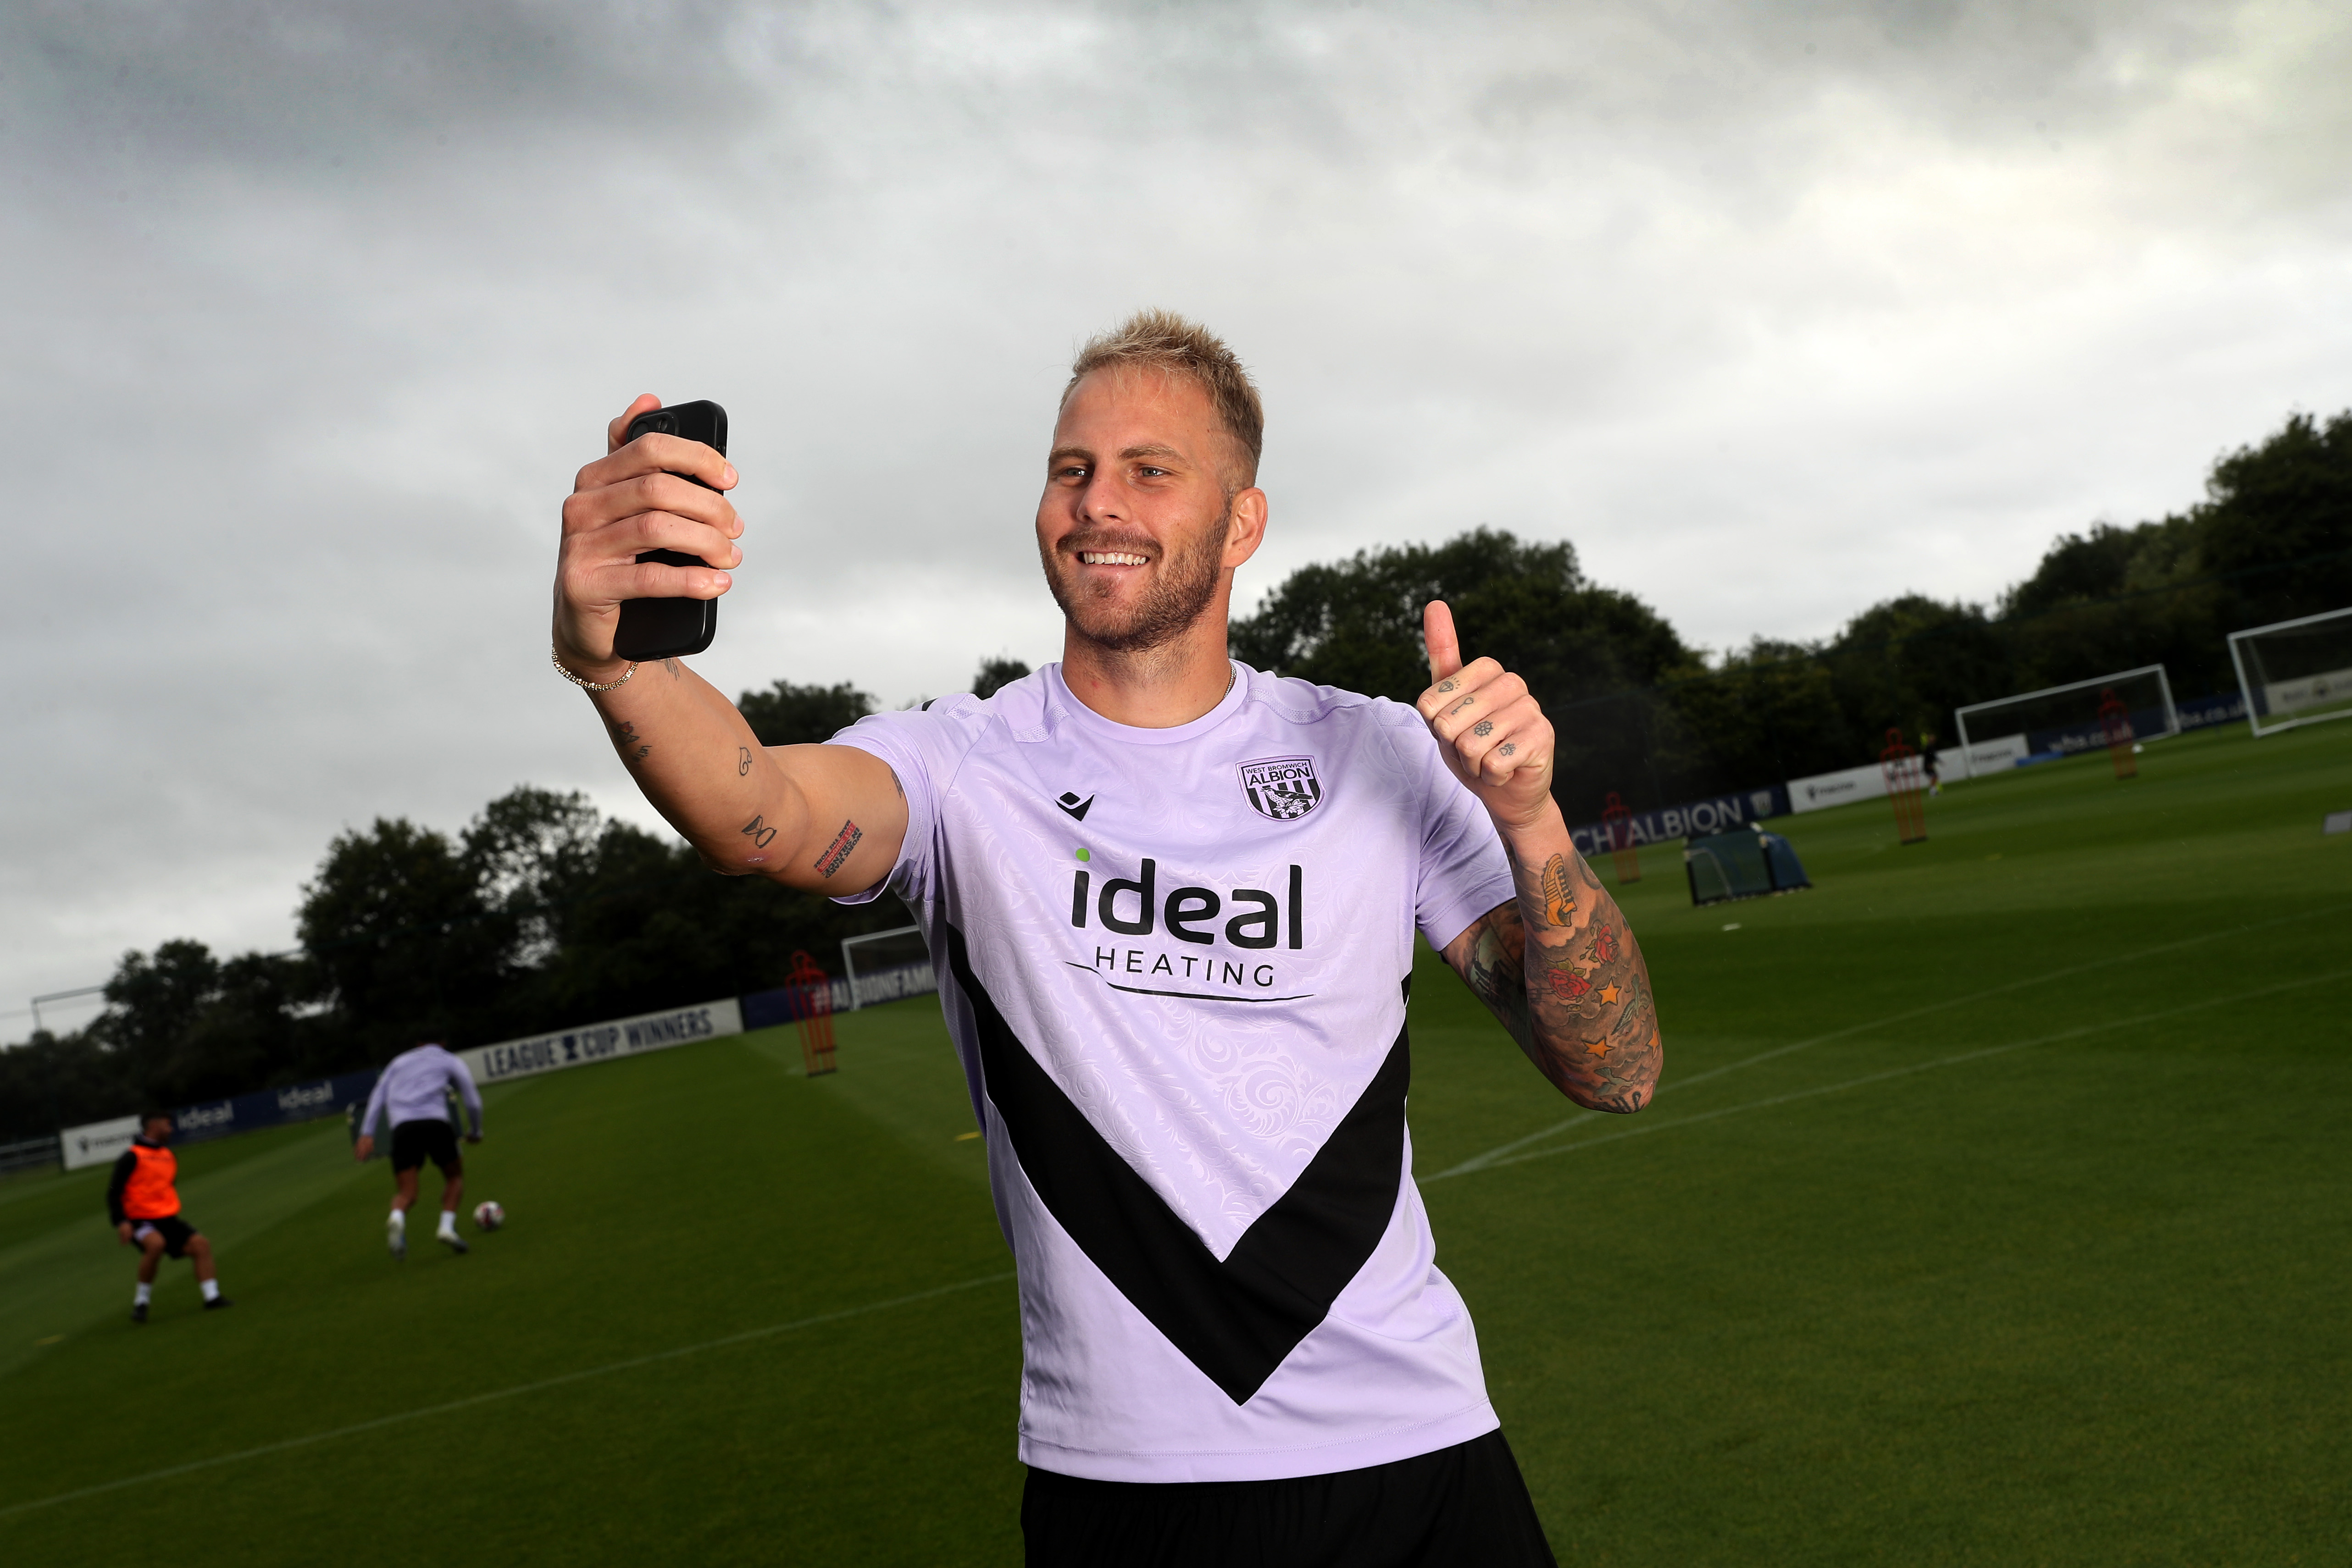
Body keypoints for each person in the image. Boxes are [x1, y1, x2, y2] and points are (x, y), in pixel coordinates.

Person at [549, 311, 1663, 1565]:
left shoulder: (1377, 751)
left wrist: (1529, 817)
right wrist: (618, 665)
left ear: (1242, 523)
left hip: (1421, 1453)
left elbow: (1615, 1071)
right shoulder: (966, 763)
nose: (1096, 503)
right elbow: (767, 812)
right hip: (1134, 1492)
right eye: (1071, 469)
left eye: (1150, 469)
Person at [354, 1042, 483, 1258]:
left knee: (408, 1192)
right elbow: (473, 1101)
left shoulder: (398, 1062)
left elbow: (378, 1095)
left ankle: (397, 1216)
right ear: (441, 1043)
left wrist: (367, 1133)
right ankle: (447, 1227)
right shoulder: (449, 1059)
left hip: (404, 1129)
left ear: (417, 1044)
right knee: (454, 1177)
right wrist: (476, 1130)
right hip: (436, 1124)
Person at [107, 1110, 232, 1322]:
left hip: (168, 1218)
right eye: (167, 1125)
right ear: (153, 1127)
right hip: (141, 1219)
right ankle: (141, 1304)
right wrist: (122, 1222)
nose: (171, 1129)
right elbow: (114, 1191)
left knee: (201, 1245)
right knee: (156, 1245)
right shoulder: (132, 1156)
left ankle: (212, 1297)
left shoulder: (167, 1155)